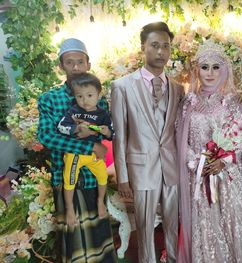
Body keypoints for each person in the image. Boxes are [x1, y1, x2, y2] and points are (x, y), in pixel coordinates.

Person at [176, 40, 242, 263]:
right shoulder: (188, 103)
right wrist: (196, 162)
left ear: (224, 70)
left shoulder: (231, 102)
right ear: (197, 70)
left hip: (227, 177)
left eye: (215, 67)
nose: (210, 73)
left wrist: (224, 161)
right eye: (204, 67)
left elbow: (240, 138)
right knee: (205, 224)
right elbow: (182, 140)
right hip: (199, 175)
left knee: (230, 224)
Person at [37, 38, 118, 262]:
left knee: (99, 238)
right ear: (61, 66)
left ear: (88, 64)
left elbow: (108, 131)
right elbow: (46, 136)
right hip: (66, 177)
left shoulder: (97, 97)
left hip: (93, 175)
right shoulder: (49, 99)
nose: (75, 67)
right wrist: (89, 144)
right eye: (69, 62)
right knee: (73, 241)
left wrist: (105, 134)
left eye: (80, 62)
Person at [111, 22, 184, 263]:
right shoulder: (122, 87)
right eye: (155, 45)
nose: (161, 51)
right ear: (143, 47)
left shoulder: (177, 88)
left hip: (172, 168)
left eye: (166, 46)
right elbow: (120, 135)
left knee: (173, 225)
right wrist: (122, 177)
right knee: (144, 229)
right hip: (141, 169)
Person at [57, 73, 113, 225]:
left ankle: (100, 202)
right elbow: (61, 126)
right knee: (69, 181)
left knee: (102, 177)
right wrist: (76, 128)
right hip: (75, 153)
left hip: (94, 155)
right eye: (79, 96)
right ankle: (69, 209)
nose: (85, 100)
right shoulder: (73, 111)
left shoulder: (102, 113)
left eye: (89, 95)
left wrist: (105, 131)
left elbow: (112, 133)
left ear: (99, 95)